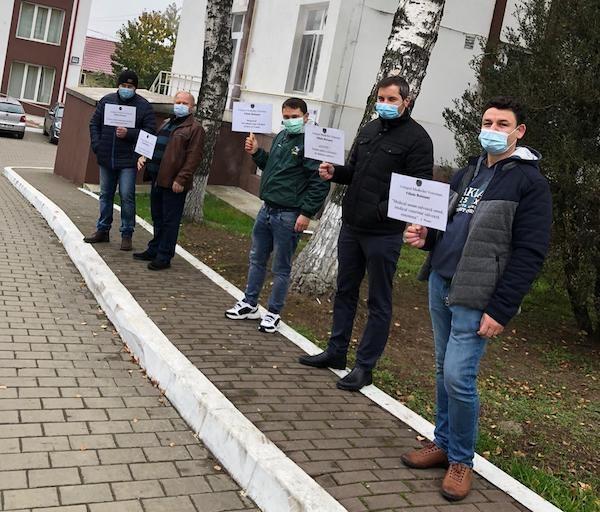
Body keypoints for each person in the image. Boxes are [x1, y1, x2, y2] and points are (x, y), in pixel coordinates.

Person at [401, 96, 552, 501]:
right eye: (488, 121)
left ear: (519, 132)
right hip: (441, 281)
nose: (493, 129)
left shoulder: (529, 183)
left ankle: (462, 460)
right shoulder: (467, 172)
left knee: (458, 377)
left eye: (503, 124)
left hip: (478, 294)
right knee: (440, 369)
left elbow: (530, 252)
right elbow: (447, 222)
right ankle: (443, 443)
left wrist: (501, 308)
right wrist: (425, 237)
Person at [298, 75, 434, 391]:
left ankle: (365, 366)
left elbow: (419, 189)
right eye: (381, 99)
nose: (385, 105)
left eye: (392, 100)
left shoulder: (418, 140)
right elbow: (354, 170)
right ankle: (336, 351)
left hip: (383, 234)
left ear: (406, 102)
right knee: (345, 290)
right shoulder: (369, 130)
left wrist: (379, 211)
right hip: (352, 228)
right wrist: (335, 172)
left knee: (378, 301)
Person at [225, 97, 330, 333]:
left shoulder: (313, 143)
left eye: (294, 117)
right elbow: (272, 165)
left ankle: (273, 312)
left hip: (289, 215)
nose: (289, 121)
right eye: (286, 117)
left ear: (306, 117)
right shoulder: (282, 137)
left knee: (281, 267)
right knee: (256, 259)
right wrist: (257, 153)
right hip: (267, 209)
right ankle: (250, 303)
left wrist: (306, 213)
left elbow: (319, 183)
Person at [84, 69, 156, 251]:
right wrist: (97, 145)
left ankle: (126, 233)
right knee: (105, 195)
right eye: (123, 85)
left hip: (128, 161)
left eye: (130, 86)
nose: (126, 89)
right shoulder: (106, 101)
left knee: (127, 196)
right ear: (118, 85)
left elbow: (150, 132)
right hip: (106, 157)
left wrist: (129, 133)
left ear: (135, 88)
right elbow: (94, 124)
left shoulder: (144, 106)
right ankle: (103, 230)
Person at [133, 91, 204, 270]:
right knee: (158, 217)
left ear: (192, 107)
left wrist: (181, 179)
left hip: (174, 182)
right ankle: (154, 249)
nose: (180, 105)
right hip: (158, 178)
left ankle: (164, 256)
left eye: (184, 103)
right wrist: (145, 157)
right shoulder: (167, 123)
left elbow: (193, 158)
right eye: (177, 102)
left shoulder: (195, 129)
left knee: (170, 221)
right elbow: (156, 145)